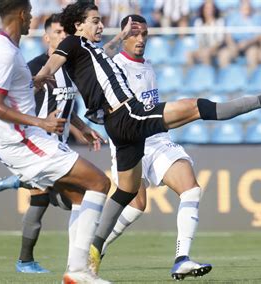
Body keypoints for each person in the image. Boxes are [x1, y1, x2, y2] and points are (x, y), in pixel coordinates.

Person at [33, 1, 261, 277]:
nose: (100, 24)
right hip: (129, 115)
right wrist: (41, 75)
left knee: (126, 192)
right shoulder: (74, 43)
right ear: (78, 25)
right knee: (200, 107)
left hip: (119, 127)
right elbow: (54, 61)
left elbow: (101, 55)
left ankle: (93, 250)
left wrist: (120, 37)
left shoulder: (91, 50)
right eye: (95, 20)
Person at [0, 1, 111, 283]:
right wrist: (42, 122)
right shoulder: (4, 52)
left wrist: (35, 83)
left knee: (80, 197)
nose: (32, 17)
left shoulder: (5, 46)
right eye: (29, 12)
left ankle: (76, 271)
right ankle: (77, 271)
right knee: (100, 183)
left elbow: (13, 90)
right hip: (23, 141)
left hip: (25, 139)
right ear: (20, 14)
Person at [101, 14, 212, 280]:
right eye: (133, 34)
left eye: (144, 35)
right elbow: (99, 55)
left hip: (157, 139)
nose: (140, 40)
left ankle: (182, 258)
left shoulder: (148, 65)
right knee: (137, 205)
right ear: (123, 36)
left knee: (191, 190)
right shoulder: (114, 65)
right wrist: (116, 37)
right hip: (129, 142)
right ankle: (96, 246)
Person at [217, 0, 261, 72]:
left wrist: (247, 43)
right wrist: (232, 45)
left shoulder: (257, 18)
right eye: (244, 5)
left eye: (248, 5)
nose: (246, 7)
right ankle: (226, 77)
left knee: (253, 54)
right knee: (224, 55)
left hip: (251, 45)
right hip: (234, 44)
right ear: (240, 6)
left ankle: (251, 79)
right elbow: (228, 34)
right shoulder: (233, 17)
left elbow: (259, 36)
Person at [186, 0, 225, 67]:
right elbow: (198, 40)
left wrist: (210, 49)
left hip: (216, 49)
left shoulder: (219, 22)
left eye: (211, 8)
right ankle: (192, 74)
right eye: (207, 8)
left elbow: (220, 40)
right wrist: (202, 49)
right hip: (203, 48)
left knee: (206, 54)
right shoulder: (198, 22)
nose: (209, 10)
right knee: (188, 54)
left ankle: (208, 74)